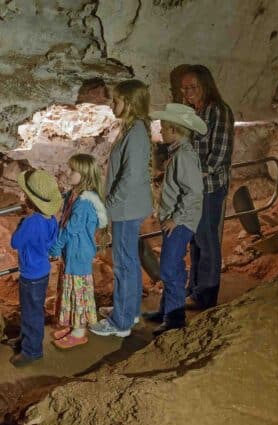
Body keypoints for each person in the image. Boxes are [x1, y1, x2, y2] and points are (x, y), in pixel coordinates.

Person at [90, 80, 153, 338]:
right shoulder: (132, 129)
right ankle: (129, 309)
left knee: (123, 264)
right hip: (128, 207)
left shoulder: (136, 132)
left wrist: (110, 204)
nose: (112, 104)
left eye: (116, 100)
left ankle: (121, 322)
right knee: (129, 261)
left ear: (130, 103)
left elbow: (130, 175)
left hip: (126, 209)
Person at [144, 104, 205, 335]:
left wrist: (176, 218)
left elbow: (194, 191)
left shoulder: (184, 156)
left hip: (181, 222)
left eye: (163, 127)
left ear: (174, 129)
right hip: (177, 219)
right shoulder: (179, 153)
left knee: (170, 268)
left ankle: (175, 317)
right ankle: (166, 310)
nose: (160, 132)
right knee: (171, 265)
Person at [178, 65, 235, 309]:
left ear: (205, 85)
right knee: (196, 239)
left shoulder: (217, 111)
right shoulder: (195, 112)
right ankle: (194, 289)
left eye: (193, 87)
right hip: (194, 187)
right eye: (184, 88)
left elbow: (220, 151)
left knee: (207, 239)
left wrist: (198, 171)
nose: (187, 92)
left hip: (209, 186)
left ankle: (207, 294)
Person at [49, 154, 108, 349]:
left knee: (79, 292)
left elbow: (70, 229)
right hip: (72, 252)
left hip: (78, 253)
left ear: (83, 174)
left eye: (73, 170)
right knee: (71, 290)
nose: (69, 173)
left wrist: (56, 247)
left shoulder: (83, 204)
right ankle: (73, 325)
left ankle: (79, 332)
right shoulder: (74, 196)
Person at [10, 169, 61, 367]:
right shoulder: (52, 219)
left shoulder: (31, 222)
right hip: (43, 271)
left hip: (30, 274)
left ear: (30, 201)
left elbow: (15, 242)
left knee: (31, 312)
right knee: (32, 309)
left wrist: (21, 224)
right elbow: (51, 243)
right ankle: (25, 340)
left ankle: (32, 351)